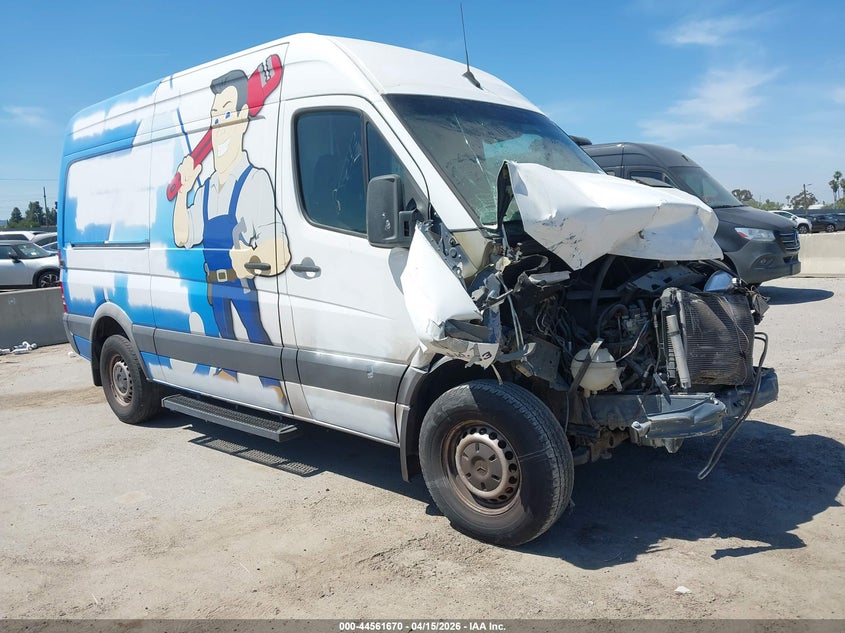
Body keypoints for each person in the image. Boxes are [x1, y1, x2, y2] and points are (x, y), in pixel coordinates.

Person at [172, 69, 289, 402]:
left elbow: (279, 247)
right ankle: (228, 375)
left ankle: (273, 388)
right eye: (213, 116)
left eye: (224, 113)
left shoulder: (255, 182)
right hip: (213, 285)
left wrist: (250, 259)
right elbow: (182, 236)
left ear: (240, 118)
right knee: (225, 342)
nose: (217, 125)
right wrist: (183, 191)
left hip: (241, 282)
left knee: (257, 339)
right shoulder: (206, 189)